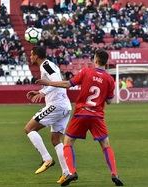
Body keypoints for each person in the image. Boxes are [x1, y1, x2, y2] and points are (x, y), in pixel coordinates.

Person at [36, 49, 124, 186]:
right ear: (106, 63)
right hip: (97, 116)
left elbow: (67, 84)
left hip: (81, 113)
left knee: (68, 142)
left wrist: (49, 83)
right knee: (106, 145)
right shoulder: (109, 79)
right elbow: (110, 101)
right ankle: (114, 174)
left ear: (95, 60)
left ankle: (72, 172)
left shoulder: (86, 72)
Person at [24, 46, 72, 184]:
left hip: (56, 105)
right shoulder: (48, 65)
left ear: (37, 56)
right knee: (56, 140)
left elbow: (56, 81)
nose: (30, 57)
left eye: (32, 55)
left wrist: (43, 93)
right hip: (64, 106)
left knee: (29, 129)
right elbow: (51, 83)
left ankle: (47, 159)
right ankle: (66, 173)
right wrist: (39, 91)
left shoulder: (46, 65)